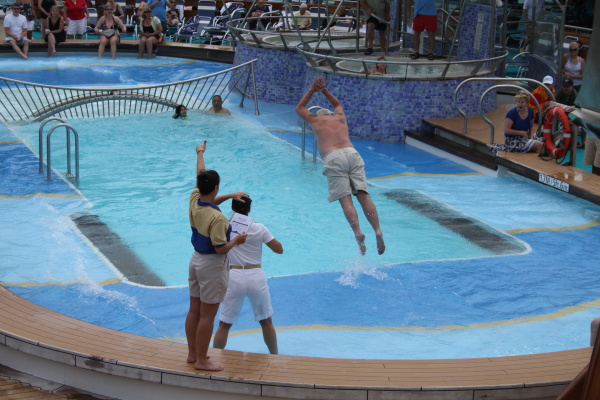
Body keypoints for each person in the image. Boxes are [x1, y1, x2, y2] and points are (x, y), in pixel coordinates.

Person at [296, 77, 385, 255]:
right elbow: (337, 103)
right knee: (364, 195)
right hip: (352, 154)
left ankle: (358, 232)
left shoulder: (316, 120)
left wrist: (312, 89)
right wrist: (324, 90)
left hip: (334, 157)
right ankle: (377, 230)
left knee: (346, 200)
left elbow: (300, 108)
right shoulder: (340, 117)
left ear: (318, 115)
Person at [185, 140, 248, 371]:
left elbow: (200, 174)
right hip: (212, 265)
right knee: (207, 315)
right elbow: (221, 248)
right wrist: (237, 240)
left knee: (194, 309)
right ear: (215, 188)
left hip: (195, 261)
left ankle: (193, 353)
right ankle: (202, 361)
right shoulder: (218, 219)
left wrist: (200, 152)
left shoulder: (195, 199)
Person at [213, 196, 284, 355]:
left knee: (224, 325)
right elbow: (279, 249)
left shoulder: (225, 227)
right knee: (266, 322)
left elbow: (211, 205)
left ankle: (215, 358)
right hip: (255, 275)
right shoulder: (259, 228)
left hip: (234, 275)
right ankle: (275, 357)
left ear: (233, 208)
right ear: (249, 209)